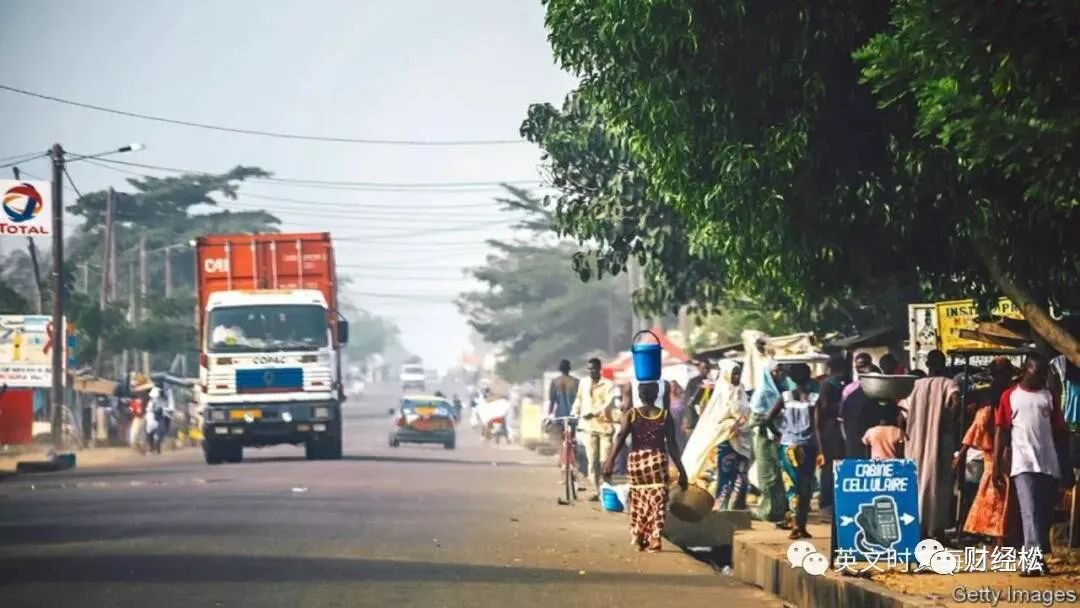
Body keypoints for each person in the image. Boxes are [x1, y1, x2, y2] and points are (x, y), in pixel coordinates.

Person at [995, 354, 1067, 575]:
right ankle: (1031, 561)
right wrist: (997, 465)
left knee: (1043, 515)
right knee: (1030, 512)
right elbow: (1001, 430)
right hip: (1023, 464)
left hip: (1048, 464)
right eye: (1038, 373)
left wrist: (1064, 465)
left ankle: (1037, 558)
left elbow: (1060, 432)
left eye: (1044, 374)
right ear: (1026, 369)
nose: (1041, 378)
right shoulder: (1010, 396)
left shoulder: (1049, 397)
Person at [603, 381, 688, 552]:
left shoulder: (631, 414)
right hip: (657, 460)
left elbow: (620, 437)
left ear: (639, 396)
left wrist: (610, 461)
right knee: (657, 500)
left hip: (637, 461)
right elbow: (672, 444)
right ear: (657, 394)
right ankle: (655, 538)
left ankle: (640, 535)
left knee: (639, 498)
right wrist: (681, 470)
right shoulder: (664, 415)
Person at [900, 349, 960, 540]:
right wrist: (948, 420)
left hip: (915, 441)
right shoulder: (949, 383)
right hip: (941, 441)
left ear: (927, 364)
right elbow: (956, 403)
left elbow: (902, 411)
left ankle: (919, 529)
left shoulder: (913, 385)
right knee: (941, 484)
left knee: (917, 482)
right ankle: (937, 530)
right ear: (943, 365)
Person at [957, 357, 1014, 544]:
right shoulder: (1009, 393)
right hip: (1008, 449)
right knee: (1003, 493)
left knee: (995, 493)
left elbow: (979, 424)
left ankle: (998, 536)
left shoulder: (991, 395)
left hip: (996, 451)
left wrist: (963, 451)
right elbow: (981, 423)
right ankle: (1000, 537)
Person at [768, 363, 821, 539]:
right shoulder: (814, 398)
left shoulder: (785, 397)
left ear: (790, 378)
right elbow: (816, 426)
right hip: (808, 446)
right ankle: (802, 525)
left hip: (788, 445)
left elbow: (768, 419)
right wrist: (821, 449)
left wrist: (779, 434)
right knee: (806, 484)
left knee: (792, 485)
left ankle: (795, 524)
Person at [571, 358, 619, 500]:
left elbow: (608, 402)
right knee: (592, 460)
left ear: (599, 369)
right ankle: (596, 490)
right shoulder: (584, 382)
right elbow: (579, 399)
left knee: (604, 460)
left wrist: (595, 412)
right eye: (589, 369)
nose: (591, 371)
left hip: (604, 426)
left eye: (593, 369)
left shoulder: (609, 384)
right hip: (588, 426)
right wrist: (575, 412)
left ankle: (607, 487)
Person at [750, 361, 789, 526]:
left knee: (780, 475)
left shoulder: (785, 390)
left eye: (781, 372)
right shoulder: (763, 393)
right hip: (765, 438)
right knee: (768, 474)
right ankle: (769, 510)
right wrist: (774, 429)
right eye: (776, 372)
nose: (780, 375)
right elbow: (758, 418)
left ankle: (781, 508)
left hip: (782, 436)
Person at [712, 362, 752, 510]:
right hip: (728, 438)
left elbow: (747, 411)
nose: (736, 376)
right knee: (726, 473)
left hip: (743, 437)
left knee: (741, 474)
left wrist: (743, 421)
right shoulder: (722, 392)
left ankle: (737, 506)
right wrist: (732, 423)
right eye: (733, 373)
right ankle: (721, 507)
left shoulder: (741, 390)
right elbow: (717, 417)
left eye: (738, 373)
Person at [817, 355, 848, 514]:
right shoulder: (828, 385)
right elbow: (823, 409)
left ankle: (831, 501)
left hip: (835, 429)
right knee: (829, 467)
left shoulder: (837, 384)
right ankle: (826, 502)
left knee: (835, 466)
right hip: (831, 429)